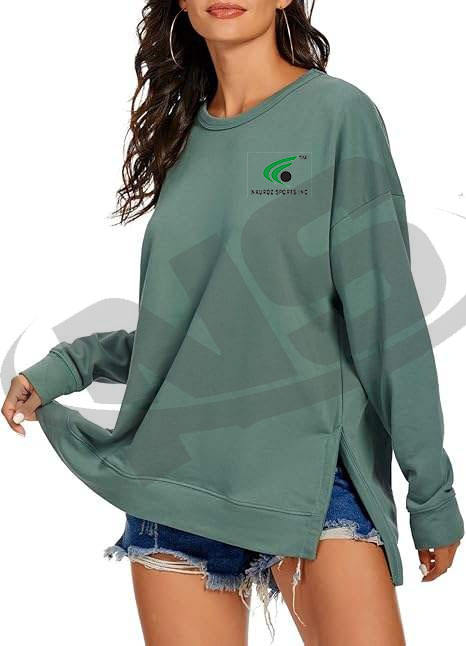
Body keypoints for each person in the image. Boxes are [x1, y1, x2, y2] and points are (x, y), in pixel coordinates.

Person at [2, 1, 463, 645]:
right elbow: (192, 334)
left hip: (312, 486)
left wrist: (430, 493)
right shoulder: (180, 140)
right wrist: (68, 366)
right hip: (176, 484)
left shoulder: (338, 116)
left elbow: (387, 323)